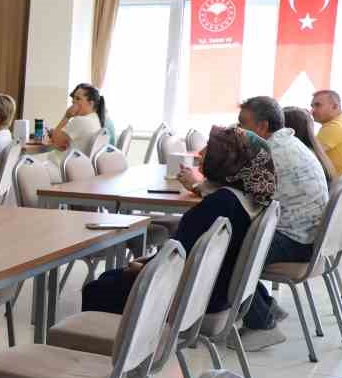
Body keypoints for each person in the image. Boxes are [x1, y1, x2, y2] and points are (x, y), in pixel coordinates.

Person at [81, 126, 275, 319]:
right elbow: (188, 252)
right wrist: (151, 261)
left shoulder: (220, 204)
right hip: (214, 291)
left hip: (189, 297)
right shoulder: (246, 199)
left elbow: (180, 261)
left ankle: (120, 347)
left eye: (209, 147)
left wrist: (145, 268)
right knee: (112, 279)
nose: (200, 152)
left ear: (227, 159)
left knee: (98, 288)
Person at [237, 96, 327, 343]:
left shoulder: (268, 153)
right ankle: (265, 306)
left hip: (296, 241)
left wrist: (200, 187)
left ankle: (262, 325)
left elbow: (241, 194)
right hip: (309, 236)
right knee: (239, 242)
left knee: (227, 253)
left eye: (242, 123)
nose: (238, 129)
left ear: (262, 126)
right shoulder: (290, 143)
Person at [47, 83, 106, 153]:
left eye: (78, 98)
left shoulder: (81, 121)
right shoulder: (95, 119)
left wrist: (67, 116)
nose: (73, 101)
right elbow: (62, 142)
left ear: (91, 103)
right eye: (73, 98)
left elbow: (57, 141)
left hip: (61, 163)